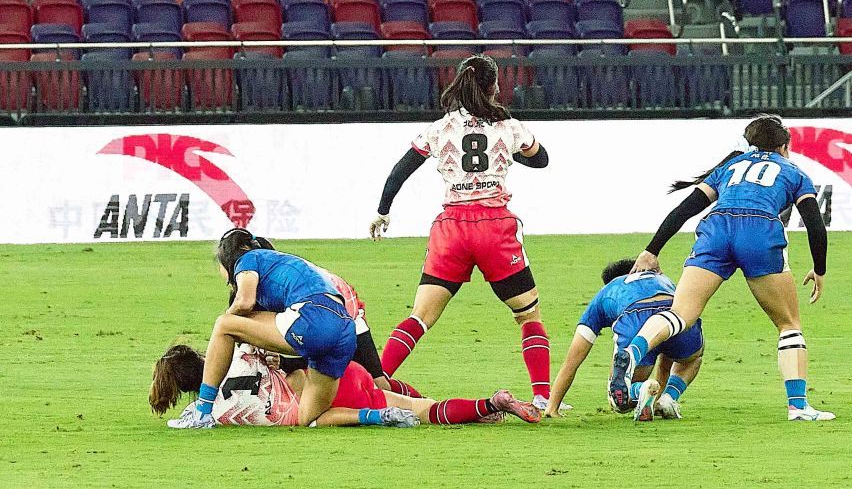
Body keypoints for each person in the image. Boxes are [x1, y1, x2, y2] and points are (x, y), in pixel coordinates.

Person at [619, 114, 834, 421]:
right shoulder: (794, 172)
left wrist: (652, 250)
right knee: (789, 324)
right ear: (784, 147)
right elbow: (814, 223)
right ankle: (798, 406)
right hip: (758, 231)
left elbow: (684, 209)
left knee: (681, 314)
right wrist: (819, 269)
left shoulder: (729, 167)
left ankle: (633, 352)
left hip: (716, 230)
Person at [369, 55, 556, 411]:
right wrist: (509, 154)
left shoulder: (441, 128)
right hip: (494, 228)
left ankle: (373, 385)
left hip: (451, 229)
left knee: (419, 317)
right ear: (493, 86)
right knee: (528, 315)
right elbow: (541, 159)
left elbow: (400, 171)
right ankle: (542, 398)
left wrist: (383, 211)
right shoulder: (509, 126)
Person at [168, 230, 402, 429]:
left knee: (224, 325)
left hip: (314, 318)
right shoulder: (284, 266)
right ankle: (379, 416)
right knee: (308, 417)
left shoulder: (247, 259)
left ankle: (202, 413)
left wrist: (229, 321)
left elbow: (245, 302)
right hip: (344, 328)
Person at [151, 342, 539, 427]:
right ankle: (487, 406)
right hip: (340, 372)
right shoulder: (241, 349)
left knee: (420, 412)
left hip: (328, 402)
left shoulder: (211, 413)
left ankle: (492, 404)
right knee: (418, 405)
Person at [543, 258, 704, 422]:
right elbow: (667, 357)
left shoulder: (608, 291)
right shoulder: (663, 279)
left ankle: (639, 390)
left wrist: (552, 407)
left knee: (620, 398)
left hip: (635, 317)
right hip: (674, 314)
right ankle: (667, 399)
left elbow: (572, 360)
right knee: (692, 359)